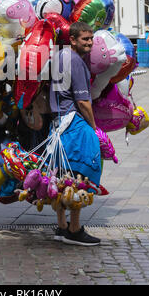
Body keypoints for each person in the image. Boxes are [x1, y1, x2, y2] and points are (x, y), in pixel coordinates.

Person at [49, 21, 102, 246]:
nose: (89, 43)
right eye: (85, 39)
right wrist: (93, 128)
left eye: (91, 39)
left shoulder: (59, 57)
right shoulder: (76, 62)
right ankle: (75, 229)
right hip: (75, 124)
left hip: (57, 123)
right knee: (80, 176)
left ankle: (61, 226)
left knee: (61, 176)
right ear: (72, 40)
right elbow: (82, 101)